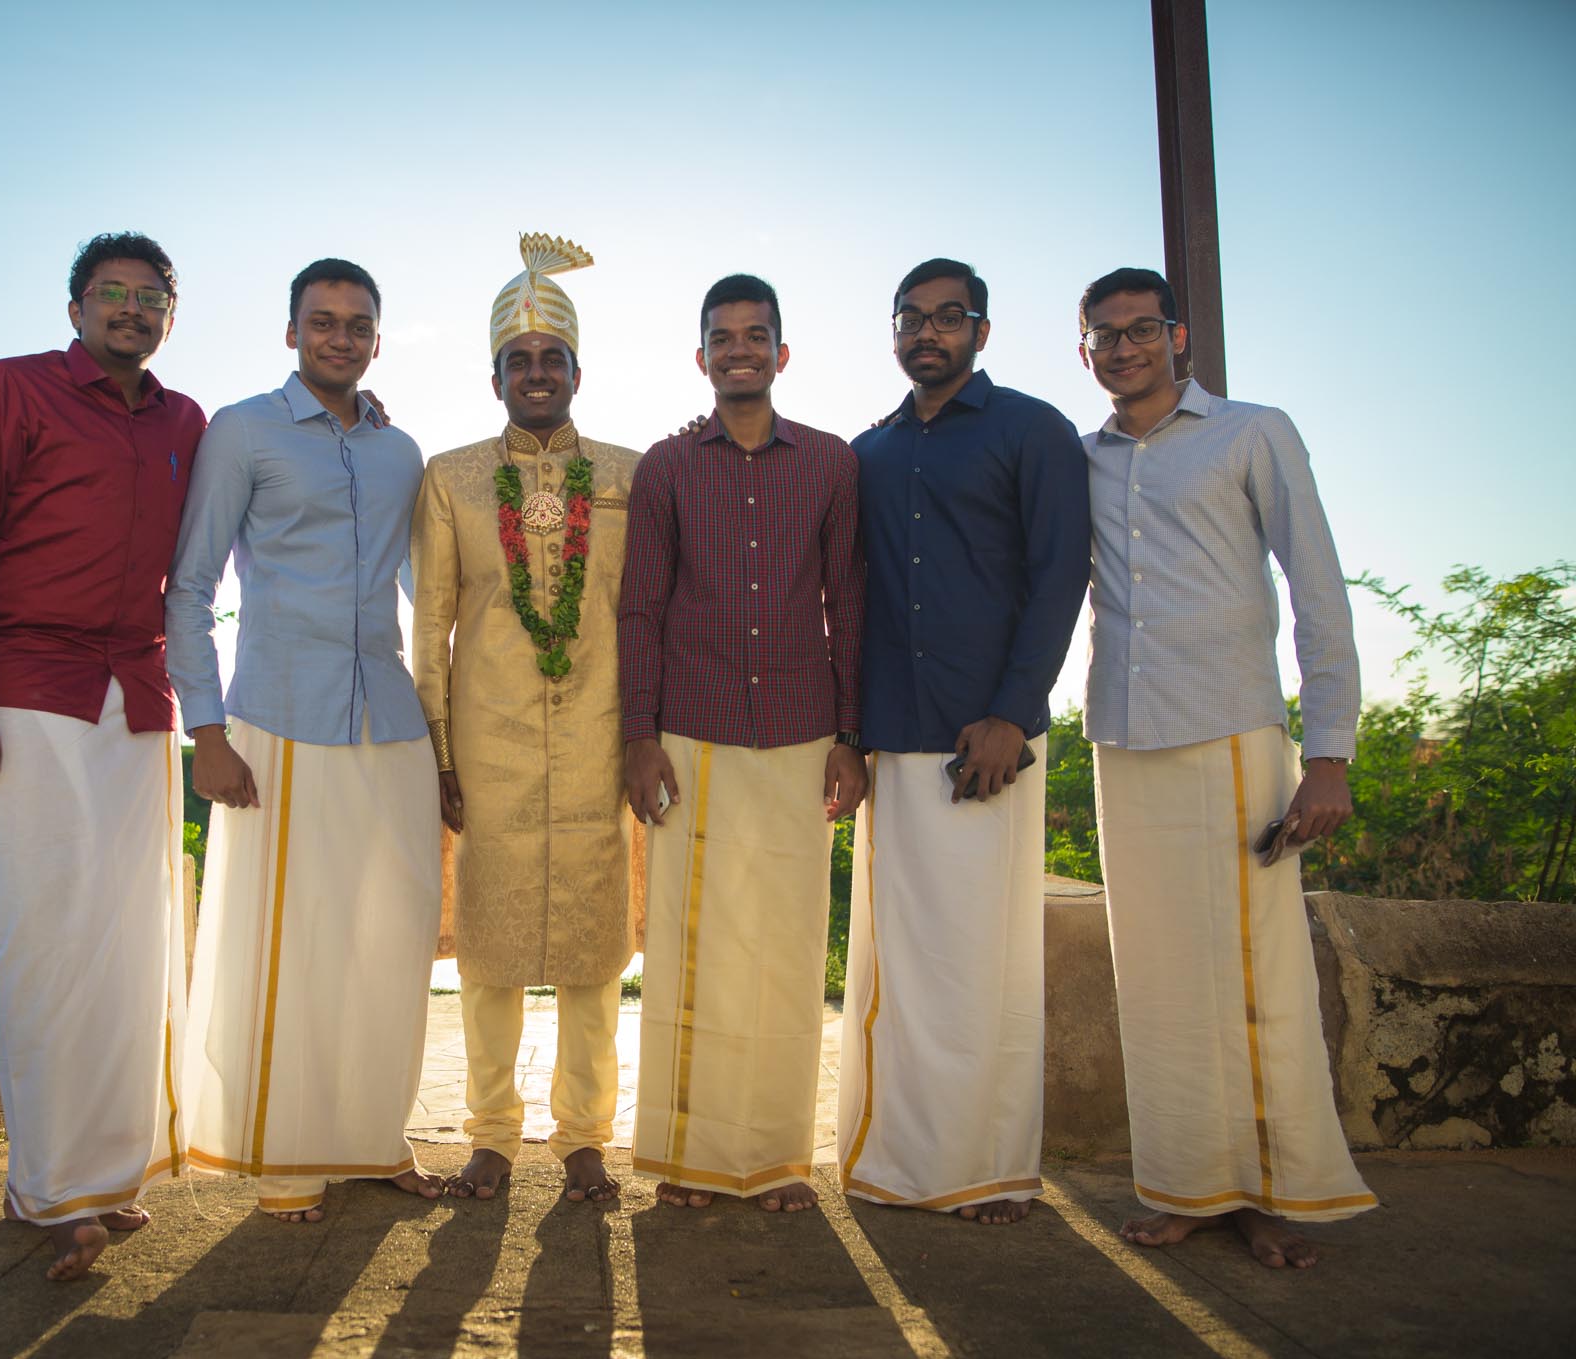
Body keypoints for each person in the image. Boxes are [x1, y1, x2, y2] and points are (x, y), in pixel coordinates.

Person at [0, 232, 204, 1281]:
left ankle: (107, 1175)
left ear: (172, 310)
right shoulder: (10, 392)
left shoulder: (183, 422)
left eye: (150, 296)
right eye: (111, 293)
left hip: (138, 702)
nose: (131, 309)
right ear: (76, 306)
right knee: (46, 937)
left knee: (131, 943)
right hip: (23, 694)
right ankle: (47, 1190)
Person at [1076, 266, 1376, 1268]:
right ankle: (1187, 1186)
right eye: (1103, 336)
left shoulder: (1252, 432)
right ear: (1084, 354)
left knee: (1256, 974)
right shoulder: (1080, 459)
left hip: (1234, 733)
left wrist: (1326, 754)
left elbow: (1317, 592)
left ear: (1178, 337)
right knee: (1159, 983)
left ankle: (1270, 1192)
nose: (1123, 348)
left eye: (1138, 330)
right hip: (1124, 740)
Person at [167, 257, 443, 1223]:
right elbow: (192, 588)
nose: (340, 336)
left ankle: (372, 1140)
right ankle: (284, 1155)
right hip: (276, 720)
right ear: (292, 332)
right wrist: (206, 731)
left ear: (378, 336)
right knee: (287, 943)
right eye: (321, 321)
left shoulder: (403, 450)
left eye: (357, 323)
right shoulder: (241, 431)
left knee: (390, 936)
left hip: (393, 725)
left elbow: (431, 593)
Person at [838, 258, 1090, 1225]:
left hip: (987, 739)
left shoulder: (1033, 431)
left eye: (950, 317)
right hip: (892, 740)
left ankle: (988, 1166)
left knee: (980, 963)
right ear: (894, 332)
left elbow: (1060, 574)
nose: (929, 332)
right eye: (913, 317)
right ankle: (897, 1160)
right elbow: (850, 598)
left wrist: (1014, 713)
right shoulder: (869, 449)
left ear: (981, 331)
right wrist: (851, 737)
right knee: (901, 967)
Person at [619, 273, 867, 1214]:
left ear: (781, 352)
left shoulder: (833, 465)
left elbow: (848, 603)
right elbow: (641, 608)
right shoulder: (669, 466)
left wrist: (852, 735)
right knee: (693, 950)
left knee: (788, 951)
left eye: (754, 335)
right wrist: (639, 738)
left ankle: (773, 1161)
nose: (738, 350)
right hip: (693, 733)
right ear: (701, 357)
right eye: (721, 337)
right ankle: (688, 1157)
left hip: (804, 735)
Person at [410, 233, 642, 1206]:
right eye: (519, 360)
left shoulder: (633, 476)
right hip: (491, 747)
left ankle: (584, 1137)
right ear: (496, 373)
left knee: (593, 952)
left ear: (577, 372)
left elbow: (650, 617)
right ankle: (493, 1136)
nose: (535, 373)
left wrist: (643, 741)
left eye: (552, 359)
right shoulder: (450, 478)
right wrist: (438, 756)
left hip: (596, 737)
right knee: (492, 954)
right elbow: (429, 628)